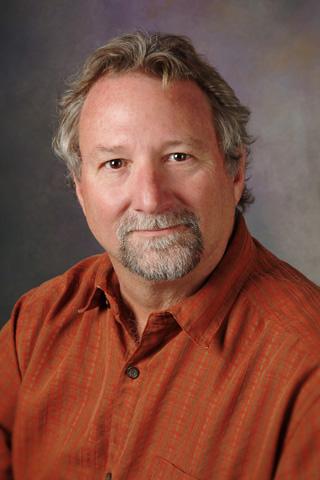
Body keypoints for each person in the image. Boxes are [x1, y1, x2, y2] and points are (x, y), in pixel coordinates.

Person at [0, 31, 319, 480]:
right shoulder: (34, 326)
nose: (150, 199)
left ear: (235, 170)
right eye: (115, 164)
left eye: (178, 156)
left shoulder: (307, 361)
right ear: (80, 188)